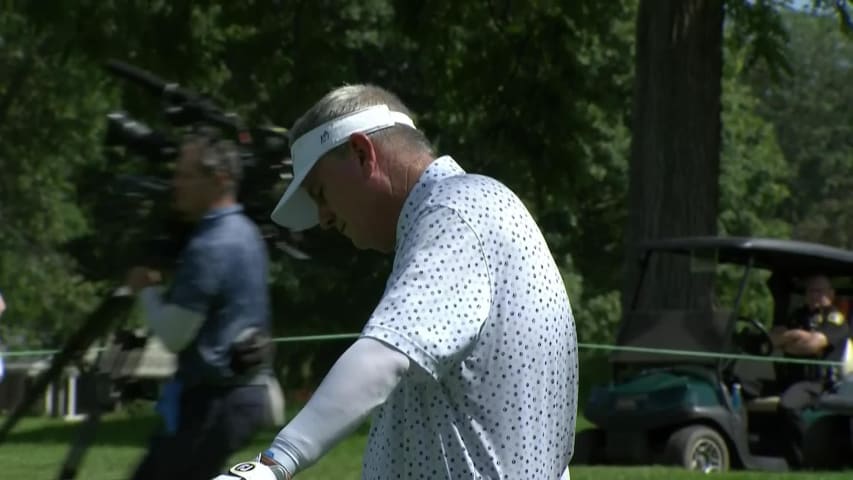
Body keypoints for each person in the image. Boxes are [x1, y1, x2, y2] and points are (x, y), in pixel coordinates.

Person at [242, 84, 578, 479]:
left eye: (321, 193)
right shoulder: (467, 210)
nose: (325, 218)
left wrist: (271, 466)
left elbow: (385, 356)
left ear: (361, 153)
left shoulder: (457, 211)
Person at [125, 128, 277, 480]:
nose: (175, 183)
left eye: (186, 175)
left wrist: (145, 289)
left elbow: (174, 336)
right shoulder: (247, 232)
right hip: (242, 395)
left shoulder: (210, 245)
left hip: (214, 402)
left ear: (220, 179)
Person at [769, 273, 850, 467]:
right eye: (811, 291)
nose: (815, 295)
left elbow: (812, 345)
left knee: (789, 405)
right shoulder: (798, 315)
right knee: (745, 389)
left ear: (831, 294)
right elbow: (774, 339)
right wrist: (798, 334)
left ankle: (808, 459)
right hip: (792, 377)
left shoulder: (835, 318)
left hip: (819, 382)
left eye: (820, 291)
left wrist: (790, 341)